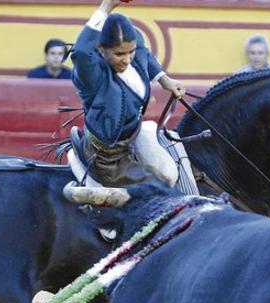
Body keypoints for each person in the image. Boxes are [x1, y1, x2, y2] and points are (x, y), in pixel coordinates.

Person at [71, 0, 185, 187]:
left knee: (172, 171)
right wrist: (106, 6)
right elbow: (81, 52)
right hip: (107, 155)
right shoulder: (93, 75)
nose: (126, 60)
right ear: (100, 49)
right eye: (118, 54)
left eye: (130, 52)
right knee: (154, 190)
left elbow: (144, 55)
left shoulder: (135, 51)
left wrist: (166, 80)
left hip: (133, 134)